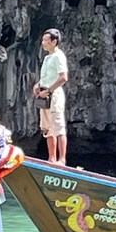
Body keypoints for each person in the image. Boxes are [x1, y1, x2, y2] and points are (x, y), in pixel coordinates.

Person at [33, 28, 69, 165]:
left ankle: (61, 160)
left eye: (46, 40)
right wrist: (38, 84)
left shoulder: (58, 56)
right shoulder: (47, 57)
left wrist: (48, 90)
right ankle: (51, 159)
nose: (43, 43)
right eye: (43, 40)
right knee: (47, 127)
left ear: (54, 42)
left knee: (58, 127)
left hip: (54, 95)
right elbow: (48, 76)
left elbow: (63, 77)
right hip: (44, 95)